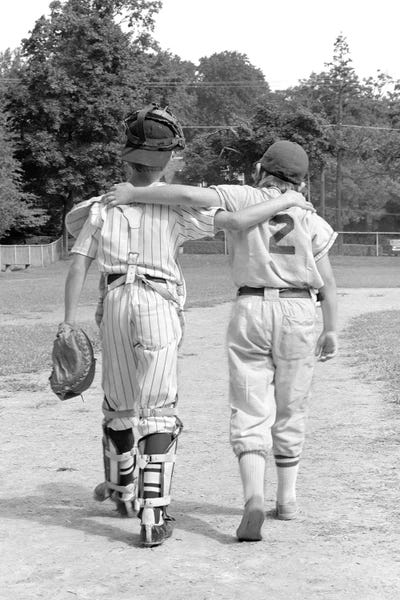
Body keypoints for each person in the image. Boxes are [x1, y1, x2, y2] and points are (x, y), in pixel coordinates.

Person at [62, 105, 313, 548]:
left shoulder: (104, 204)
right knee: (158, 408)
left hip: (115, 298)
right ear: (170, 158)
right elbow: (236, 220)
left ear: (126, 157)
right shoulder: (175, 207)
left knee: (119, 399)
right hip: (158, 304)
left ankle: (121, 489)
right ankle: (153, 514)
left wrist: (67, 322)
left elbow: (78, 260)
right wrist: (289, 200)